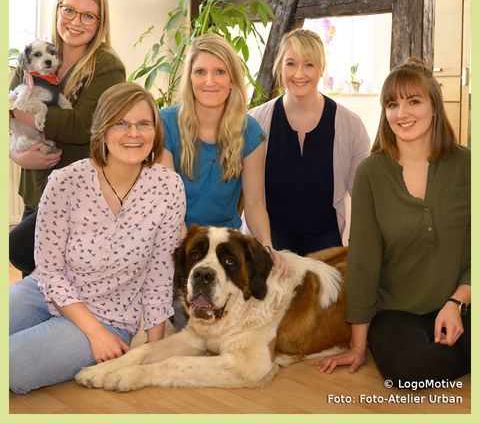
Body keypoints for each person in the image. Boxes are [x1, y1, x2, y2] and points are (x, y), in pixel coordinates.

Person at [9, 82, 186, 394]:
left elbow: (159, 276)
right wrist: (93, 334)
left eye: (144, 124)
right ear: (102, 129)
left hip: (110, 316)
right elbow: (49, 270)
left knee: (10, 367)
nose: (134, 133)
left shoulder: (168, 188)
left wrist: (150, 353)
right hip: (44, 292)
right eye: (121, 123)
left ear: (156, 131)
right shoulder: (66, 181)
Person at [317, 58, 471, 385]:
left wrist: (457, 303)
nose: (402, 113)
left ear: (434, 107)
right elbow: (364, 261)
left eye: (413, 101)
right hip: (398, 312)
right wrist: (358, 347)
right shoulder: (371, 174)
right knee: (404, 371)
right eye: (392, 104)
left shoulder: (467, 165)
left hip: (464, 302)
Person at [9, 0, 126, 277]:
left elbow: (81, 126)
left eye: (88, 16)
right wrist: (18, 155)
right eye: (69, 10)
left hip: (78, 200)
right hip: (36, 190)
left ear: (100, 21)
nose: (75, 22)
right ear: (58, 9)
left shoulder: (107, 66)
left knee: (60, 283)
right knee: (32, 284)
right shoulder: (35, 52)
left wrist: (19, 112)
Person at [249, 29, 370, 256]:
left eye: (309, 65)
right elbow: (249, 198)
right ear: (279, 67)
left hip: (328, 245)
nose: (299, 74)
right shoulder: (255, 122)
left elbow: (365, 195)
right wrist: (266, 249)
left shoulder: (351, 125)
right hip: (270, 243)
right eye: (291, 64)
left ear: (322, 68)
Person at [160, 33, 278, 255]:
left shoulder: (250, 131)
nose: (209, 81)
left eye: (220, 72)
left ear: (232, 80)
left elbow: (254, 205)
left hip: (224, 246)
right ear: (189, 78)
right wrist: (190, 254)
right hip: (173, 242)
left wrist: (267, 247)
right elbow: (169, 205)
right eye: (200, 72)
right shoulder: (165, 124)